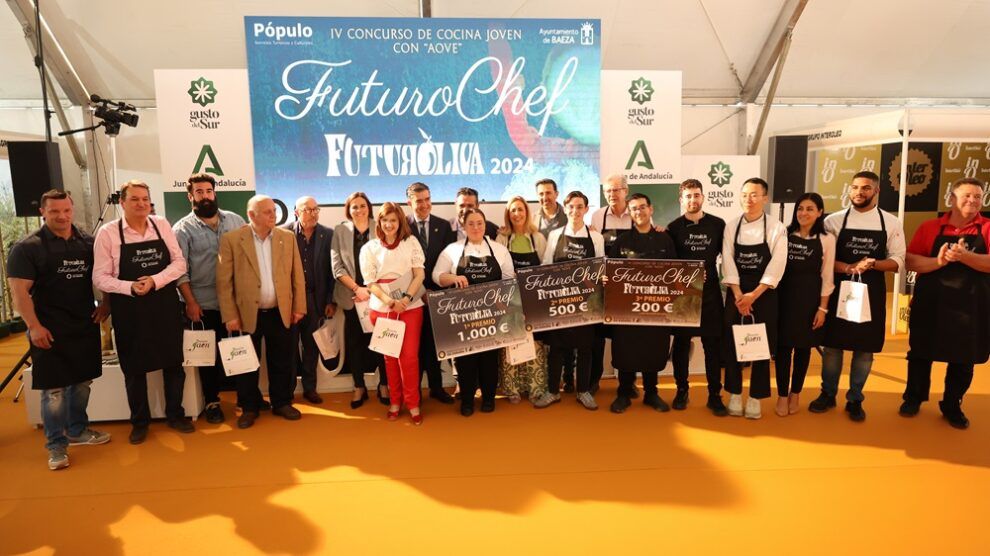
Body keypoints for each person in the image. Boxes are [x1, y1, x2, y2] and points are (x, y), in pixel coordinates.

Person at [7, 190, 111, 470]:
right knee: (54, 392)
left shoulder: (88, 243)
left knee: (82, 383)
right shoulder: (27, 248)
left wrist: (106, 303)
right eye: (54, 211)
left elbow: (105, 275)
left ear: (72, 210)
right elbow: (19, 292)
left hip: (84, 325)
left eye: (66, 210)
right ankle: (56, 445)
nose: (62, 216)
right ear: (43, 212)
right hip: (47, 330)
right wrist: (34, 327)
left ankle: (77, 430)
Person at [94, 180, 192, 444]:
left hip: (164, 305)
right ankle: (139, 422)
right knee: (134, 369)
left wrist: (154, 281)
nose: (141, 204)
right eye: (135, 199)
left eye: (145, 199)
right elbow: (100, 277)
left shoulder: (161, 224)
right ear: (122, 202)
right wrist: (129, 286)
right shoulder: (108, 233)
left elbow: (179, 263)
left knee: (173, 363)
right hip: (129, 308)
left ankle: (176, 414)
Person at [810, 171, 906, 422]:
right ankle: (828, 393)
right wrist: (849, 268)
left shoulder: (891, 222)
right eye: (854, 187)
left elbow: (898, 261)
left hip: (871, 294)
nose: (859, 192)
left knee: (864, 350)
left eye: (865, 188)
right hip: (838, 290)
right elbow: (823, 259)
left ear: (877, 191)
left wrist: (873, 263)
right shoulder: (834, 221)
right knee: (832, 347)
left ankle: (855, 399)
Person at [901, 178, 990, 429]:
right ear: (951, 198)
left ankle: (952, 404)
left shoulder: (987, 228)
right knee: (920, 352)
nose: (973, 200)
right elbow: (910, 260)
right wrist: (939, 261)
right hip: (931, 303)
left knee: (964, 358)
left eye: (978, 196)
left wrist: (965, 256)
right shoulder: (929, 227)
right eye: (967, 195)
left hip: (972, 306)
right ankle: (913, 398)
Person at [217, 195, 307, 429]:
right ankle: (248, 408)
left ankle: (282, 403)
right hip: (247, 314)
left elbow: (297, 275)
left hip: (281, 312)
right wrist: (230, 315)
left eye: (274, 211)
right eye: (267, 212)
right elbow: (224, 282)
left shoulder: (287, 238)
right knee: (247, 364)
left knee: (282, 361)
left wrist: (298, 307)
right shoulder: (232, 240)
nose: (273, 215)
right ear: (251, 215)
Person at [173, 173, 247, 423]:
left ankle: (245, 399)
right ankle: (212, 401)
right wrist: (190, 303)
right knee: (208, 357)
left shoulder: (235, 220)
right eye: (199, 192)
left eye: (208, 191)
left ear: (214, 193)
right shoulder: (182, 229)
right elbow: (180, 271)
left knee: (239, 350)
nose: (205, 196)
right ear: (190, 196)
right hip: (203, 304)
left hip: (235, 302)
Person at [434, 207, 516, 416]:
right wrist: (454, 278)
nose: (476, 227)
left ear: (485, 225)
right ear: (463, 227)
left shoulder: (499, 250)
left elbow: (509, 279)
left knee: (489, 358)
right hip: (463, 316)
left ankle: (488, 398)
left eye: (479, 223)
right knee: (465, 360)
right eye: (470, 223)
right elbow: (437, 275)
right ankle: (467, 401)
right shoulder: (452, 250)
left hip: (493, 315)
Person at [720, 177, 788, 420]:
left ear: (765, 198)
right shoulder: (731, 226)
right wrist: (739, 295)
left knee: (761, 346)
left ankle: (756, 397)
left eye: (754, 194)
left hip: (764, 293)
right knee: (732, 344)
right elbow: (727, 260)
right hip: (737, 293)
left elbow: (777, 264)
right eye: (745, 194)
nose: (749, 199)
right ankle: (734, 393)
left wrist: (754, 295)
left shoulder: (777, 228)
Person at [607, 193, 679, 414]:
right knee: (626, 348)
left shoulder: (665, 240)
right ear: (630, 213)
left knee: (653, 348)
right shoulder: (621, 242)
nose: (639, 212)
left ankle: (651, 393)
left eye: (642, 207)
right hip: (627, 310)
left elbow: (676, 272)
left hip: (656, 308)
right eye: (634, 209)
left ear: (651, 209)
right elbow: (611, 272)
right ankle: (623, 393)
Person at [534, 191, 606, 410]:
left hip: (587, 302)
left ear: (586, 209)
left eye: (580, 206)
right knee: (556, 348)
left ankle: (583, 391)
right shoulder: (555, 235)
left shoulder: (596, 237)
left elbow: (600, 266)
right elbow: (546, 265)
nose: (575, 211)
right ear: (565, 209)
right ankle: (552, 391)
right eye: (571, 207)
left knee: (585, 348)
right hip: (559, 301)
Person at [361, 202, 428, 425]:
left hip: (410, 307)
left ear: (400, 222)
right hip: (382, 308)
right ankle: (395, 401)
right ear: (379, 222)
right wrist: (390, 301)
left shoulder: (411, 242)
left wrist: (406, 299)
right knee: (390, 358)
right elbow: (370, 282)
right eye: (384, 220)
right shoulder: (369, 248)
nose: (389, 224)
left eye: (393, 220)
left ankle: (413, 403)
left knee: (409, 358)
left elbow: (419, 275)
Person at [667, 179, 727, 415]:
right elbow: (669, 264)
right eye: (688, 196)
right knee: (681, 345)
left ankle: (715, 395)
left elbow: (728, 256)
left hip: (711, 293)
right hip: (684, 295)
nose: (693, 200)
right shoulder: (673, 228)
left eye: (696, 195)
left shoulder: (718, 224)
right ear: (681, 200)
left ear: (703, 197)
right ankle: (682, 390)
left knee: (712, 346)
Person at [774, 193, 835, 417]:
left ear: (820, 212)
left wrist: (822, 309)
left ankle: (796, 393)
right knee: (783, 349)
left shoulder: (827, 239)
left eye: (810, 209)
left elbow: (827, 276)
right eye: (800, 208)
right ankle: (782, 394)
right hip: (783, 299)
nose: (804, 213)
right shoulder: (784, 234)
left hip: (810, 301)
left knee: (803, 349)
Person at [331, 192, 388, 408]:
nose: (359, 210)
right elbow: (337, 267)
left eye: (362, 206)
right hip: (351, 296)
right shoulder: (340, 231)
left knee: (381, 341)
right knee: (354, 343)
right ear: (348, 210)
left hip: (378, 295)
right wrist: (357, 289)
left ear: (369, 207)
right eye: (354, 207)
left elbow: (387, 262)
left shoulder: (380, 227)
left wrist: (371, 290)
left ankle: (384, 384)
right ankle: (359, 386)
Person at [281, 196, 336, 404]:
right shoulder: (283, 233)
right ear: (296, 212)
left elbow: (332, 270)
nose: (313, 214)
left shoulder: (328, 234)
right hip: (290, 301)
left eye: (315, 209)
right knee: (289, 347)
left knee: (312, 346)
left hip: (315, 299)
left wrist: (331, 300)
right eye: (307, 210)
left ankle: (310, 388)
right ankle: (287, 391)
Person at [495, 196, 549, 406]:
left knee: (534, 343)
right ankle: (512, 389)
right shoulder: (502, 238)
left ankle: (535, 388)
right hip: (509, 299)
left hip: (533, 298)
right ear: (508, 215)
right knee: (511, 342)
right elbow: (498, 271)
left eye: (520, 209)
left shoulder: (538, 238)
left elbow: (545, 268)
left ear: (527, 212)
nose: (517, 214)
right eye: (513, 210)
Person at [406, 182, 456, 404]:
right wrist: (420, 292)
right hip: (412, 297)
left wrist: (435, 293)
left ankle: (436, 387)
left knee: (435, 345)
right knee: (413, 347)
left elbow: (448, 262)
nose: (425, 204)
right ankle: (414, 392)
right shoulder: (402, 226)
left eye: (427, 199)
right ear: (409, 202)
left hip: (438, 297)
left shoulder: (443, 226)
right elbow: (402, 265)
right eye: (419, 201)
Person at [588, 174, 634, 395]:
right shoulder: (597, 216)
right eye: (608, 191)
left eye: (616, 190)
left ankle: (628, 382)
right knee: (597, 338)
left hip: (629, 287)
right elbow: (593, 251)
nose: (612, 194)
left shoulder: (636, 213)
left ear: (626, 191)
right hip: (603, 286)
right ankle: (593, 380)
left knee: (625, 338)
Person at [533, 178, 577, 393]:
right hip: (544, 284)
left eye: (548, 193)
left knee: (569, 336)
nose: (545, 197)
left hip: (571, 284)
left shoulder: (569, 215)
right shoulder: (532, 220)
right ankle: (551, 379)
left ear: (556, 194)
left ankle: (569, 377)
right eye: (541, 194)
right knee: (551, 338)